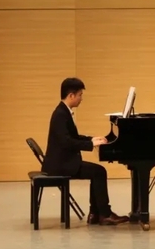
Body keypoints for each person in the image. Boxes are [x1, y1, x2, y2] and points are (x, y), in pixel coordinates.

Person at [41, 77, 128, 226]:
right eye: (80, 95)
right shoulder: (60, 114)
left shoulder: (63, 111)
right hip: (61, 165)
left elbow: (73, 137)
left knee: (97, 172)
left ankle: (95, 214)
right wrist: (90, 144)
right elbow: (66, 142)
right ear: (71, 95)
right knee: (99, 172)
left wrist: (92, 138)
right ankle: (104, 214)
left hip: (62, 161)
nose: (81, 98)